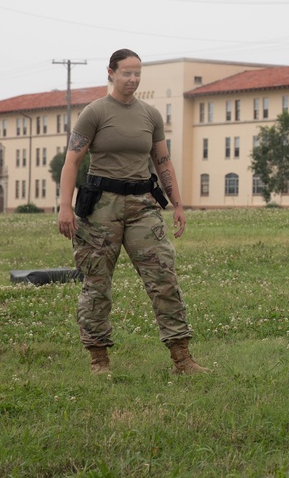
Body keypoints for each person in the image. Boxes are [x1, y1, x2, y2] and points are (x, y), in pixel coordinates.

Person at [57, 48, 208, 376]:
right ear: (110, 73)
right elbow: (72, 161)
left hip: (142, 205)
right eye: (126, 72)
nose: (133, 78)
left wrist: (178, 204)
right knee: (97, 283)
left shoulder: (150, 115)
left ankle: (182, 359)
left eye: (137, 72)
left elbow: (163, 161)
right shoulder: (94, 113)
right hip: (101, 207)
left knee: (163, 278)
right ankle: (99, 360)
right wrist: (64, 208)